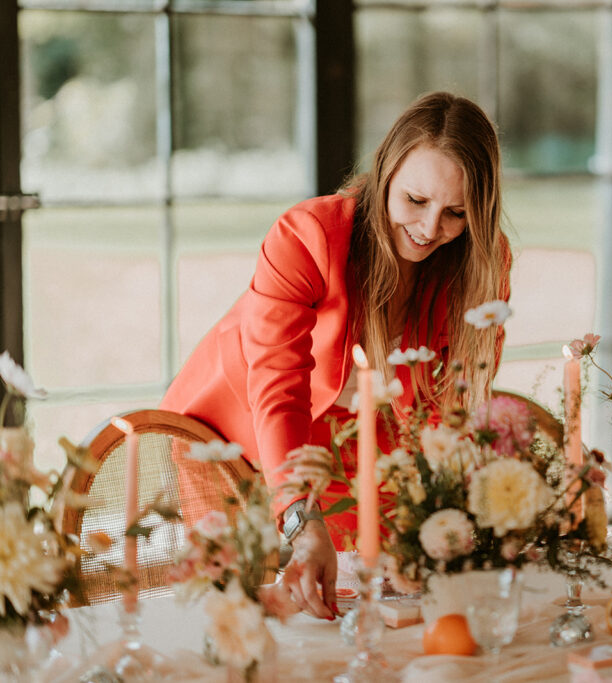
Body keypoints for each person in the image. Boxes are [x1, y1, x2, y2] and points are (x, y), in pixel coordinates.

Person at [160, 91, 511, 620]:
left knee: (375, 595)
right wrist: (303, 521)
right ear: (387, 171)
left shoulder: (483, 261)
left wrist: (436, 513)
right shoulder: (306, 235)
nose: (430, 229)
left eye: (455, 213)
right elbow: (278, 388)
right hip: (235, 431)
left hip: (359, 432)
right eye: (415, 201)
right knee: (239, 615)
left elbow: (448, 409)